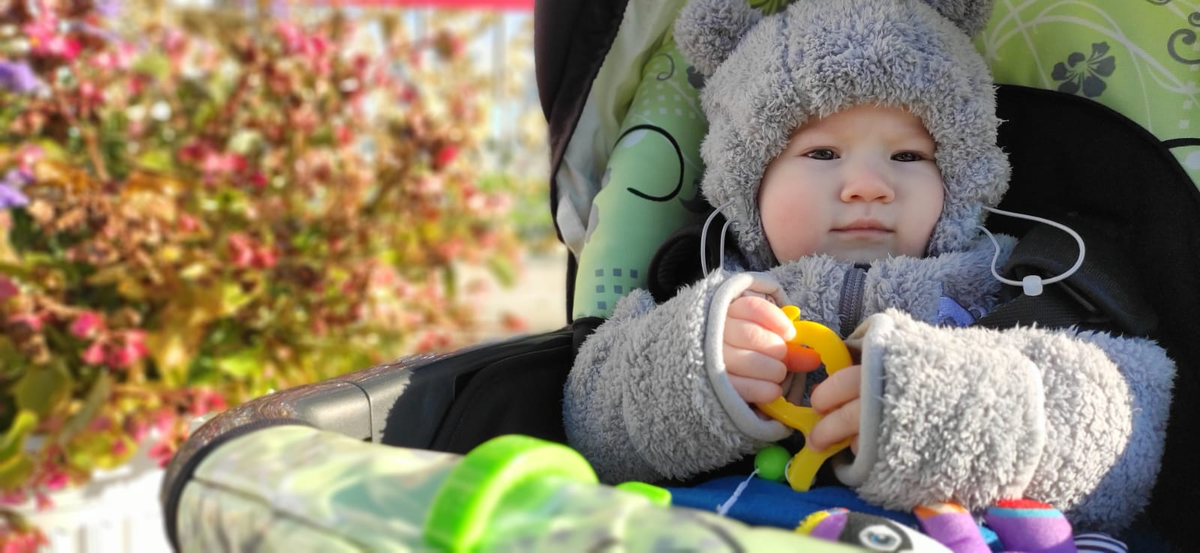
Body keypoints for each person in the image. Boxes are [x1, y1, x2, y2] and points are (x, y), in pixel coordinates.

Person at [562, 0, 1175, 536]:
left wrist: (948, 409)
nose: (867, 186)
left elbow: (1127, 421)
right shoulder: (706, 287)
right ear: (750, 178)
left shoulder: (1013, 277)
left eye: (908, 155)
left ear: (959, 179)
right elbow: (589, 420)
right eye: (822, 152)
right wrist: (689, 369)